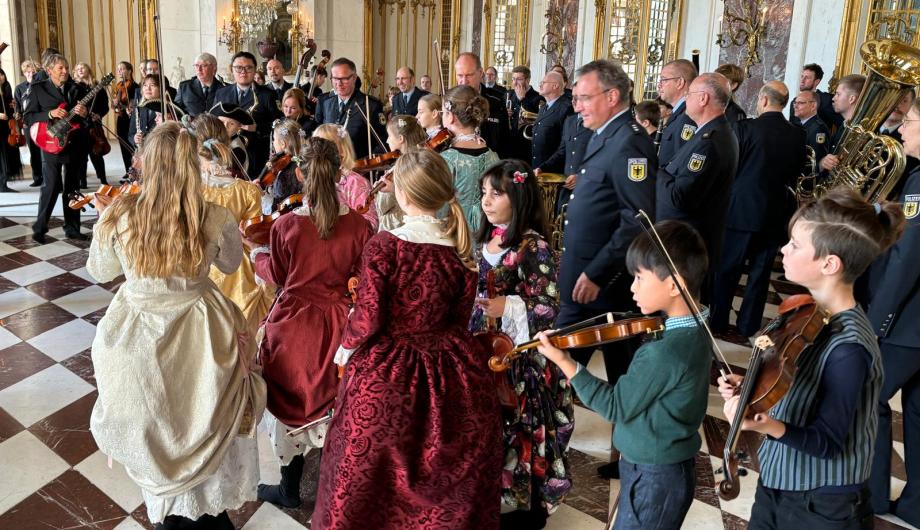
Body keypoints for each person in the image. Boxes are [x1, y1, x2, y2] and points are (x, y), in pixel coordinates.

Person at [87, 121, 267, 530]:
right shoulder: (215, 213)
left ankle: (173, 511)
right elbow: (228, 264)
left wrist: (106, 223)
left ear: (146, 162)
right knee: (200, 418)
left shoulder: (122, 211)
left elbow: (100, 270)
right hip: (202, 333)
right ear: (192, 165)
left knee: (158, 424)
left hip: (138, 335)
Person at [313, 149, 502, 530]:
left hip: (388, 368)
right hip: (451, 367)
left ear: (402, 193)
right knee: (446, 466)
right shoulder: (461, 251)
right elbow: (460, 320)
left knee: (366, 462)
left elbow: (368, 318)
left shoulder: (385, 245)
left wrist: (344, 349)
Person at [718, 187, 905, 530]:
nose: (783, 250)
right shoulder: (808, 315)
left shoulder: (850, 348)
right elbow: (794, 382)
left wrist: (763, 424)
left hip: (824, 504)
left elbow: (828, 442)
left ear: (830, 263)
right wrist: (754, 386)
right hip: (780, 479)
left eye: (795, 245)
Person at [537, 220, 712, 530]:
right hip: (662, 465)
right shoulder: (697, 327)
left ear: (674, 284)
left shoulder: (664, 352)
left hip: (655, 475)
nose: (632, 288)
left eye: (639, 278)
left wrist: (564, 361)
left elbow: (615, 406)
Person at [244, 136, 370, 509]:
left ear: (300, 173)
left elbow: (280, 276)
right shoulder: (362, 228)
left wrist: (256, 256)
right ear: (339, 173)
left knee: (290, 403)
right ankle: (337, 491)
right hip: (338, 326)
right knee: (333, 404)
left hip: (293, 326)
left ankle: (289, 488)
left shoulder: (286, 226)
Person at [557, 59, 658, 480]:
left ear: (611, 96)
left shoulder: (630, 143)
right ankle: (622, 457)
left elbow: (638, 217)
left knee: (559, 367)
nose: (577, 105)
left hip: (602, 289)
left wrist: (598, 272)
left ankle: (546, 462)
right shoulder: (607, 135)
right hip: (591, 283)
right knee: (610, 373)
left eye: (583, 97)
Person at [470, 159, 573, 529]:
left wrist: (507, 305)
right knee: (493, 425)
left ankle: (532, 508)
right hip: (489, 347)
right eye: (484, 192)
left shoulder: (534, 247)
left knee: (524, 427)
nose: (487, 200)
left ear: (519, 195)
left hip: (522, 357)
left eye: (496, 193)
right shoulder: (490, 236)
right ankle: (496, 492)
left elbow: (547, 307)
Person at [710, 81, 806, 339]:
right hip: (777, 212)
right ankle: (748, 325)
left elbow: (730, 167)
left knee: (727, 270)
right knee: (760, 274)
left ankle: (718, 322)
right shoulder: (797, 133)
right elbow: (796, 173)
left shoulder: (745, 128)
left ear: (763, 100)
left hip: (740, 210)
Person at [867, 96, 920, 527]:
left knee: (870, 399)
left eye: (911, 121)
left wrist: (875, 321)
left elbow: (907, 258)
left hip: (907, 324)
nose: (902, 129)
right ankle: (917, 506)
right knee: (918, 413)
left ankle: (872, 499)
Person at [656, 72, 739, 291]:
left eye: (690, 94)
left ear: (703, 98)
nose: (687, 99)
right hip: (685, 241)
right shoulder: (709, 133)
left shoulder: (709, 142)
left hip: (687, 246)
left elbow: (680, 197)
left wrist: (657, 171)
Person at [194, 113, 272, 333]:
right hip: (237, 265)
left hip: (199, 261)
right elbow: (252, 234)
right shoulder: (247, 191)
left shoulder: (189, 189)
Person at [23, 53, 90, 243]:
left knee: (73, 188)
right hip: (50, 144)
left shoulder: (76, 88)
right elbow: (28, 117)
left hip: (74, 143)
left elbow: (85, 120)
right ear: (49, 70)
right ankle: (40, 228)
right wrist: (49, 113)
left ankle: (73, 228)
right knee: (51, 187)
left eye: (67, 67)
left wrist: (84, 113)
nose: (65, 71)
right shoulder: (37, 89)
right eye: (60, 68)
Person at [440, 84, 500, 232]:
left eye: (443, 112)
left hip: (456, 234)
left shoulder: (447, 159)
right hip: (486, 232)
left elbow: (439, 209)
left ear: (451, 116)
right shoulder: (493, 156)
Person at [213, 51, 280, 179]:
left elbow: (277, 123)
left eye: (248, 68)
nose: (243, 71)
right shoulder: (221, 93)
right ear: (232, 70)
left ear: (255, 70)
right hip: (226, 155)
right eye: (238, 68)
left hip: (257, 156)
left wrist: (257, 127)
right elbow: (212, 120)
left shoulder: (267, 95)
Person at [314, 57, 388, 159]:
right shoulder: (327, 103)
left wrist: (365, 164)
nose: (339, 84)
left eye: (344, 78)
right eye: (335, 78)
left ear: (354, 78)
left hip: (359, 168)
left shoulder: (371, 105)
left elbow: (382, 143)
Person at [312, 123, 378, 230]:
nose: (318, 151)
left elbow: (370, 223)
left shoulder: (355, 182)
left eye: (324, 146)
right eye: (315, 145)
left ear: (342, 149)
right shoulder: (315, 179)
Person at [454, 53, 511, 158]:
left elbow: (505, 140)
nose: (464, 81)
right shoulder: (451, 100)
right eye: (460, 75)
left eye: (469, 75)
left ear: (480, 73)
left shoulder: (497, 100)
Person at [378, 114, 426, 231]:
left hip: (402, 226)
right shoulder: (420, 160)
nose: (387, 140)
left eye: (389, 136)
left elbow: (382, 207)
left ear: (401, 139)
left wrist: (392, 190)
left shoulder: (404, 167)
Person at [71, 62, 110, 188]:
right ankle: (82, 181)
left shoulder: (98, 86)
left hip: (94, 124)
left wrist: (99, 114)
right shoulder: (72, 86)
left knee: (96, 153)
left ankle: (103, 180)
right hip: (79, 124)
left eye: (83, 67)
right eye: (78, 68)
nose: (80, 70)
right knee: (81, 155)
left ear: (89, 70)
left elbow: (105, 106)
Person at [819, 74, 866, 174]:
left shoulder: (862, 131)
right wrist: (823, 163)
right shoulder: (844, 125)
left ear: (851, 99)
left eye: (838, 94)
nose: (833, 98)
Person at [656, 59, 698, 166]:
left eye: (663, 80)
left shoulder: (688, 116)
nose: (659, 85)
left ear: (680, 83)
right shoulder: (679, 113)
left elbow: (681, 162)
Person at [530, 70, 573, 174]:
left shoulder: (566, 108)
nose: (540, 85)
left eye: (544, 82)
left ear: (555, 86)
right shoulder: (543, 107)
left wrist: (544, 167)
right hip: (538, 168)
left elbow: (565, 145)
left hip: (554, 172)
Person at [14, 60, 43, 187]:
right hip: (27, 123)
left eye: (33, 72)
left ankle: (47, 177)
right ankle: (37, 177)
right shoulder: (20, 88)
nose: (30, 74)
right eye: (27, 72)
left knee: (44, 150)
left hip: (41, 121)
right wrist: (17, 114)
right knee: (34, 151)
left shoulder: (41, 86)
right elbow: (17, 105)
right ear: (24, 73)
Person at [508, 65, 546, 161]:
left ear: (527, 80)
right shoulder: (508, 94)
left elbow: (538, 121)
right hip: (508, 144)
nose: (515, 83)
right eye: (513, 79)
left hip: (526, 146)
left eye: (519, 79)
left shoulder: (538, 98)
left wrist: (522, 100)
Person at [789, 63, 842, 130]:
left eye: (807, 78)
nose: (802, 80)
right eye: (802, 76)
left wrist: (831, 140)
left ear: (816, 82)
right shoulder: (794, 101)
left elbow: (841, 125)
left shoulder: (826, 100)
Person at [265, 119, 304, 211]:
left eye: (274, 139)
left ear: (283, 144)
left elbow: (279, 207)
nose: (273, 142)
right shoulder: (301, 161)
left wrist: (263, 196)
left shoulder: (288, 172)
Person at [210, 102, 254, 176]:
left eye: (231, 124)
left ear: (239, 127)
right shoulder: (215, 138)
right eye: (222, 122)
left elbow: (225, 177)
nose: (225, 126)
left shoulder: (237, 150)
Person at [175, 52, 225, 117]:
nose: (199, 69)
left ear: (214, 68)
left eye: (204, 65)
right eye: (196, 65)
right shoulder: (184, 87)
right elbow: (176, 112)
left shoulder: (224, 89)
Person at [111, 61, 139, 172]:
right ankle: (127, 171)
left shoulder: (135, 87)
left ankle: (134, 170)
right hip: (121, 119)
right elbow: (115, 107)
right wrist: (114, 103)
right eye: (118, 69)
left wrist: (127, 106)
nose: (119, 71)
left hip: (131, 120)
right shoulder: (119, 86)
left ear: (129, 70)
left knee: (131, 146)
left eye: (122, 69)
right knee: (123, 146)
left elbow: (134, 103)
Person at [793, 90, 831, 167]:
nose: (795, 106)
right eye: (795, 103)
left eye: (800, 103)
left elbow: (816, 162)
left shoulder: (818, 129)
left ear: (813, 106)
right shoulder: (798, 124)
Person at [128, 74, 164, 150]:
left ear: (161, 88)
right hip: (143, 152)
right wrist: (135, 139)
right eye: (145, 85)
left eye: (152, 85)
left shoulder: (166, 109)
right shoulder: (139, 107)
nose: (148, 88)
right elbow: (131, 134)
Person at [0, 68, 19, 192]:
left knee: (7, 154)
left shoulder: (6, 90)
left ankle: (4, 182)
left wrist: (14, 110)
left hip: (7, 127)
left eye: (2, 74)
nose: (1, 77)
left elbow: (11, 110)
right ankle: (2, 185)